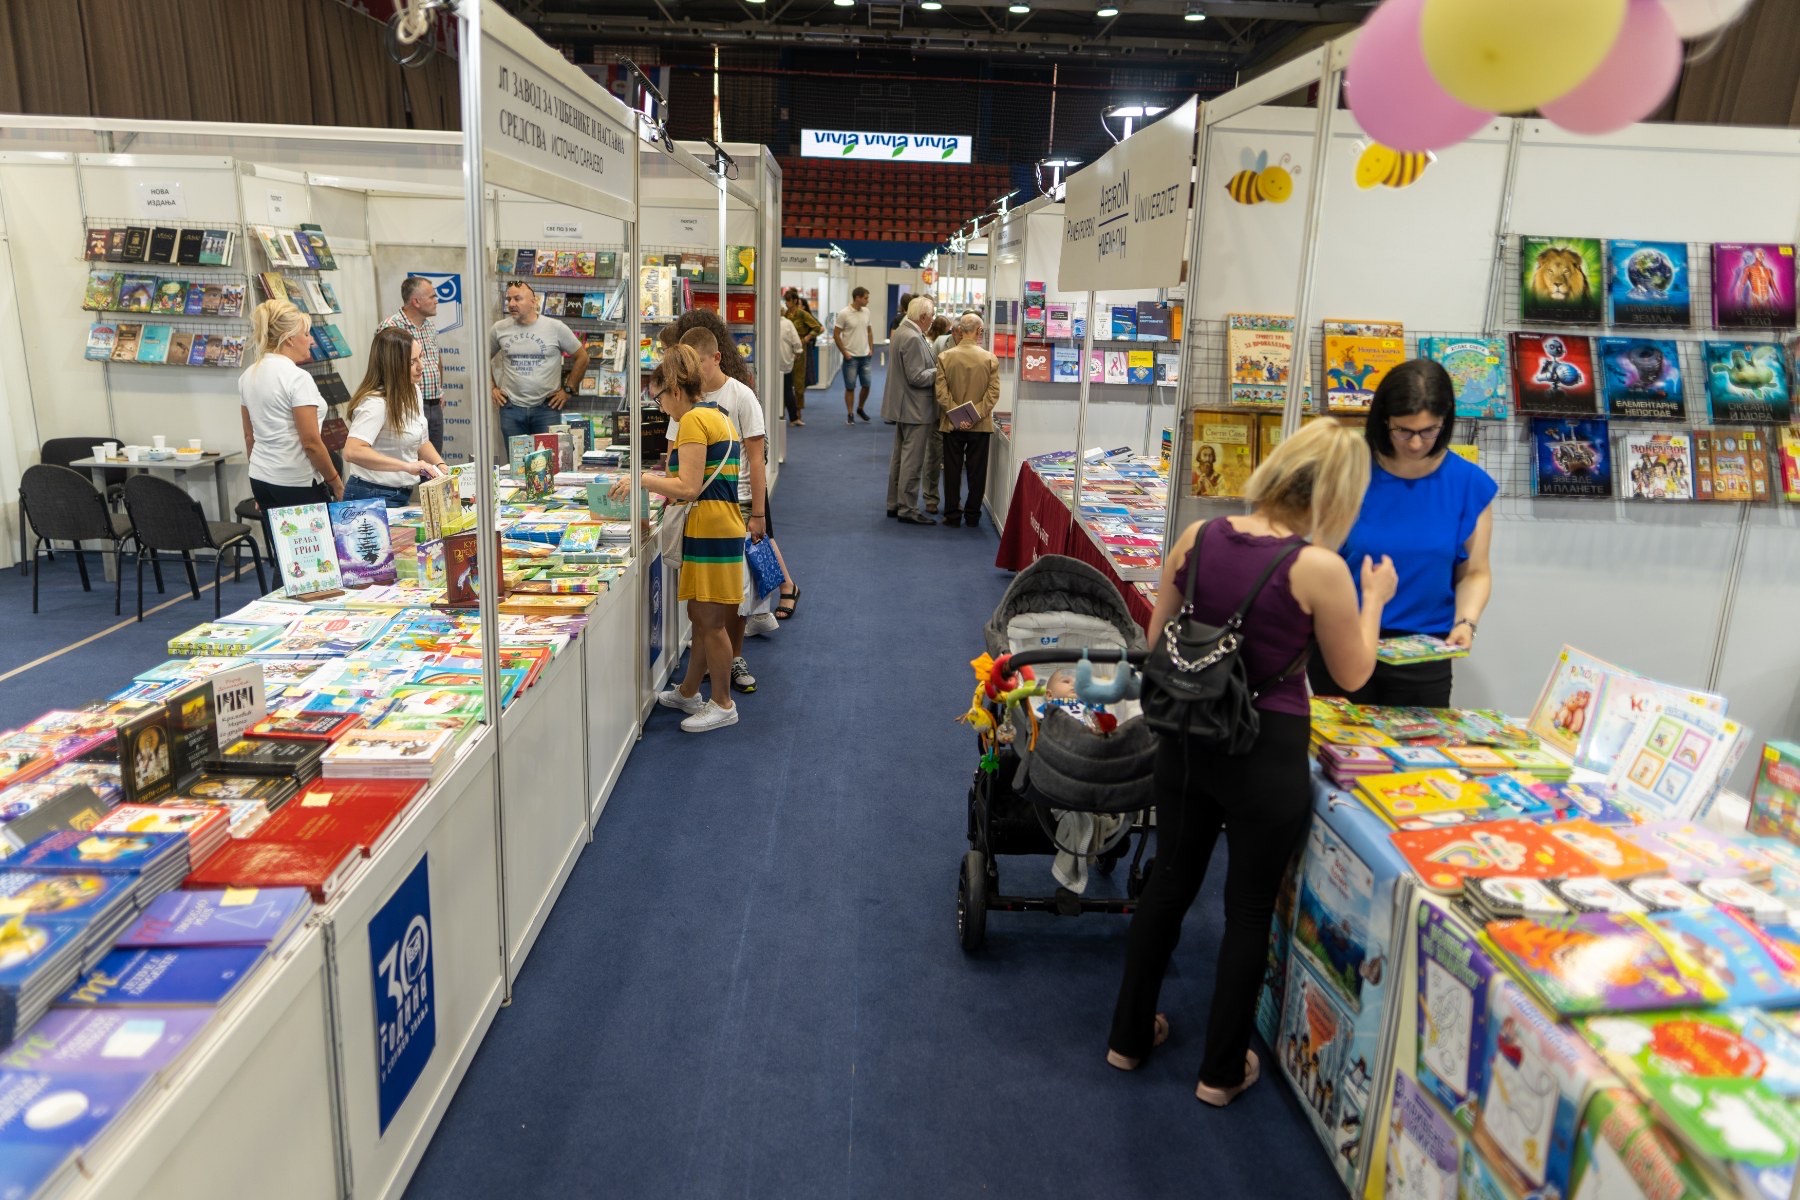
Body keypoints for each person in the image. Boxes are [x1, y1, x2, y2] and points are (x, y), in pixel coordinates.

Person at [1106, 419, 1396, 1107]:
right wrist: (1376, 601)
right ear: (1338, 494)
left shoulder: (1199, 536)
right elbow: (1353, 673)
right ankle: (1219, 1072)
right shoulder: (1318, 567)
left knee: (1168, 886)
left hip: (1186, 736)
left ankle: (1127, 1039)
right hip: (1266, 749)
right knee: (1247, 908)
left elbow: (1156, 634)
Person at [1307, 359, 1497, 708]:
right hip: (1343, 641)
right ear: (1384, 420)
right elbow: (1319, 561)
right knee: (1341, 743)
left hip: (1424, 653)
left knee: (1423, 743)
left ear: (1445, 421)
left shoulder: (1468, 484)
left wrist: (1466, 623)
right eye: (1404, 431)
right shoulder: (1349, 472)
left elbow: (1475, 572)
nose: (1415, 443)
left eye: (1429, 431)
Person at [612, 345, 744, 733]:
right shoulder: (716, 414)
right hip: (717, 522)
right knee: (702, 616)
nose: (662, 407)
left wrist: (643, 479)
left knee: (710, 620)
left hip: (710, 525)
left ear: (674, 389)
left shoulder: (693, 421)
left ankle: (722, 703)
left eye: (659, 398)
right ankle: (689, 691)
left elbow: (688, 486)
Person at [678, 323, 771, 692]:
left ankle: (734, 658)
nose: (691, 371)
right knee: (706, 598)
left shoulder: (741, 396)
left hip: (739, 501)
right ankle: (709, 666)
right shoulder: (686, 398)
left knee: (735, 594)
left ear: (715, 358)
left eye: (697, 362)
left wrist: (759, 513)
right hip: (701, 506)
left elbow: (757, 458)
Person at [239, 299, 342, 549]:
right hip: (296, 480)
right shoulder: (297, 378)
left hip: (261, 478)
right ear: (289, 339)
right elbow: (311, 443)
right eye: (306, 334)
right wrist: (336, 483)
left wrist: (263, 483)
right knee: (316, 558)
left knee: (285, 557)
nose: (312, 341)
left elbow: (249, 436)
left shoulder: (248, 375)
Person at [341, 327, 448, 506]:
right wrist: (407, 466)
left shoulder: (413, 391)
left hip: (399, 494)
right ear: (393, 365)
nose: (421, 366)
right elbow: (352, 451)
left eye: (421, 357)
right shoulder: (376, 402)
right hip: (370, 494)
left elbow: (421, 442)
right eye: (412, 362)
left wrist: (440, 466)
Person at [489, 281, 589, 444]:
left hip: (547, 409)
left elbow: (582, 357)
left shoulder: (555, 327)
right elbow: (482, 357)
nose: (511, 304)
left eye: (517, 299)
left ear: (533, 301)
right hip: (511, 409)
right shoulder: (499, 328)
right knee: (517, 460)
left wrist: (568, 389)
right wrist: (492, 387)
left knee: (549, 458)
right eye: (508, 299)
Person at [933, 312, 1000, 528]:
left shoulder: (945, 357)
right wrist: (974, 415)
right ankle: (972, 515)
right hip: (980, 425)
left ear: (960, 331)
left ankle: (952, 515)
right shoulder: (990, 359)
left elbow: (941, 393)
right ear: (979, 331)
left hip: (952, 424)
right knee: (977, 472)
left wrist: (957, 415)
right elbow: (993, 394)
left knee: (952, 471)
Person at [883, 295, 940, 525]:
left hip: (905, 405)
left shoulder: (902, 331)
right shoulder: (913, 337)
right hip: (916, 407)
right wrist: (941, 370)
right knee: (912, 461)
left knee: (900, 459)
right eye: (931, 316)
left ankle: (895, 503)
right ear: (923, 316)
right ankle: (907, 508)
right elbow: (917, 377)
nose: (933, 320)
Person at [377, 276, 445, 453]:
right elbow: (384, 369)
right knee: (411, 459)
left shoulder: (429, 326)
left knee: (433, 459)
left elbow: (436, 360)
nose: (436, 301)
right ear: (416, 301)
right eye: (432, 296)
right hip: (406, 403)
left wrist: (440, 390)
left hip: (434, 404)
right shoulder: (390, 327)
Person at [833, 286, 874, 424]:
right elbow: (836, 335)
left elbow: (869, 331)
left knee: (867, 385)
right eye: (866, 298)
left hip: (865, 356)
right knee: (850, 387)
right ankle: (850, 413)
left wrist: (871, 348)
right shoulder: (844, 313)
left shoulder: (866, 311)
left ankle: (860, 408)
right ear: (857, 298)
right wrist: (844, 353)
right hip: (850, 357)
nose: (868, 300)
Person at [785, 290, 823, 423]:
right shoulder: (785, 314)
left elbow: (817, 327)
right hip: (787, 349)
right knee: (785, 380)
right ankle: (785, 411)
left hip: (800, 349)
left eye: (789, 300)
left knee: (799, 381)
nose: (787, 303)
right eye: (786, 300)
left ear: (795, 300)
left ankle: (798, 411)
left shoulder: (802, 313)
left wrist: (807, 338)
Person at [778, 305, 805, 426]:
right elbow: (796, 342)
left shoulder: (767, 322)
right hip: (785, 362)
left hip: (768, 365)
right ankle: (794, 419)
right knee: (787, 391)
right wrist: (798, 352)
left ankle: (775, 416)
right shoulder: (788, 323)